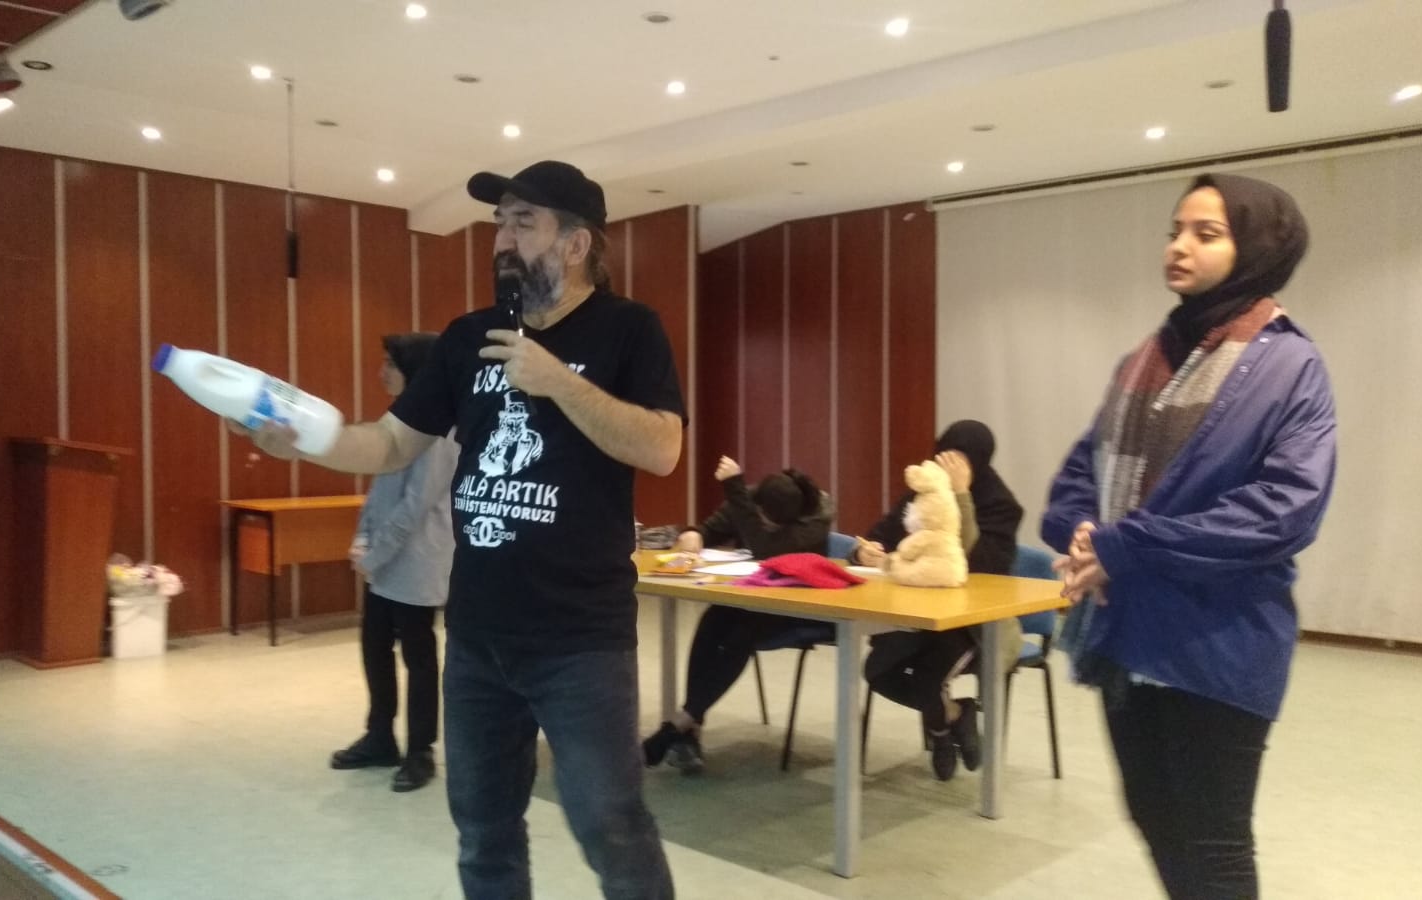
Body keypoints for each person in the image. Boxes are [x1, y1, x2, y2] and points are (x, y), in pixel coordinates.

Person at [238, 161, 682, 899]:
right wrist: (305, 442)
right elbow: (390, 443)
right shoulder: (467, 337)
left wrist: (559, 382)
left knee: (612, 827)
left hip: (581, 640)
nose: (502, 239)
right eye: (499, 222)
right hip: (477, 638)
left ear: (576, 244)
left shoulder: (629, 329)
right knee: (482, 831)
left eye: (523, 223)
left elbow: (663, 447)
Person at [1042, 173, 1336, 900]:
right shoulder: (1143, 361)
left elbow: (1284, 511)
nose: (1179, 246)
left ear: (1257, 248)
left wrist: (1124, 547)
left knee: (1213, 842)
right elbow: (1083, 470)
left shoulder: (1289, 365)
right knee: (1154, 816)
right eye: (1175, 230)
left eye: (1206, 233)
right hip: (1125, 634)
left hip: (1218, 643)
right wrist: (1082, 531)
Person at [640, 456, 834, 774]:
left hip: (803, 607)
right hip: (753, 597)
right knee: (713, 621)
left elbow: (766, 547)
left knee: (741, 635)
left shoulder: (817, 515)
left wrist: (734, 488)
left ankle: (680, 725)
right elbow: (714, 528)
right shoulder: (751, 498)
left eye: (775, 524)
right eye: (764, 519)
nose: (767, 525)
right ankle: (688, 727)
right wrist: (696, 534)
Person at [854, 421, 1023, 780]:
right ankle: (953, 715)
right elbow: (882, 534)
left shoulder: (1001, 506)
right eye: (944, 457)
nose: (948, 468)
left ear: (978, 463)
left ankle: (939, 735)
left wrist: (961, 496)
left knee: (929, 675)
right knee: (877, 672)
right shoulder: (924, 491)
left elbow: (978, 565)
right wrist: (867, 551)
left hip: (973, 624)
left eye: (960, 461)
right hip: (916, 616)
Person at [329, 332, 457, 793]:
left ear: (415, 372)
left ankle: (421, 750)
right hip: (384, 560)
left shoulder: (439, 431)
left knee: (419, 657)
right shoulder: (399, 423)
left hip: (417, 561)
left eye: (390, 364)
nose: (381, 371)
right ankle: (380, 735)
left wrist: (375, 553)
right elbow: (380, 491)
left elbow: (415, 505)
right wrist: (362, 540)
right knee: (375, 646)